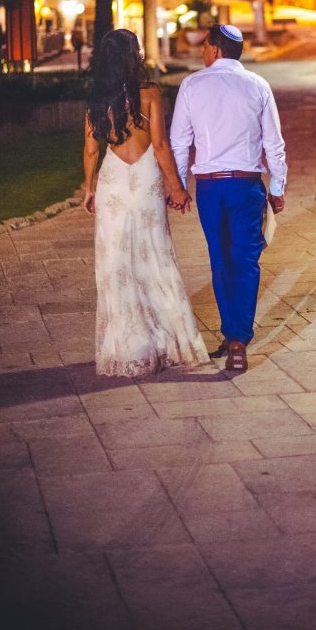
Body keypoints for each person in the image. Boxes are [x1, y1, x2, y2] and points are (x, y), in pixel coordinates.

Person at [82, 29, 209, 377]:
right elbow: (161, 145)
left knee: (116, 263)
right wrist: (177, 188)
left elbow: (92, 149)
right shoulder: (150, 93)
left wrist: (89, 188)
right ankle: (169, 341)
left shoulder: (96, 99)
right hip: (146, 177)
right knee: (155, 255)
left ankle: (126, 346)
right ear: (134, 55)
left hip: (113, 181)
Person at [170, 23, 287, 373]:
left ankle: (234, 336)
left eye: (206, 46)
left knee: (221, 260)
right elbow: (273, 143)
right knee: (247, 261)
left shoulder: (192, 85)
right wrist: (277, 188)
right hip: (246, 185)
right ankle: (238, 338)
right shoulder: (258, 85)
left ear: (216, 50)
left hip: (210, 188)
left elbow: (180, 142)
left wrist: (179, 187)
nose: (203, 51)